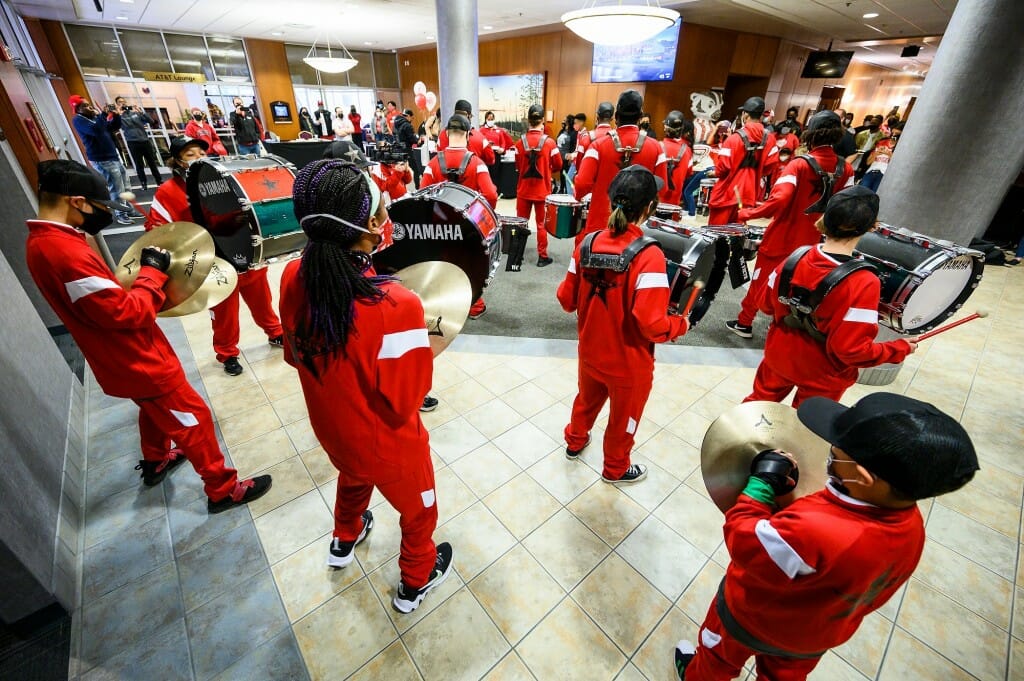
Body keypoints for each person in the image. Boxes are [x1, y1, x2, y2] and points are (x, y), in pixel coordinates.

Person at [674, 391, 977, 680]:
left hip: (749, 620)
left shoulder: (813, 529)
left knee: (717, 658)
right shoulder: (912, 527)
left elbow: (744, 541)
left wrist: (761, 485)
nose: (828, 452)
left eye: (834, 451)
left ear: (862, 476)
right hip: (814, 637)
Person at [27, 159, 272, 511]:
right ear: (76, 201)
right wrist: (152, 275)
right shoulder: (62, 251)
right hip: (137, 358)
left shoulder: (44, 241)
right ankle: (223, 490)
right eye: (98, 207)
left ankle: (156, 461)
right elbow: (127, 312)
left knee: (154, 409)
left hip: (121, 359)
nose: (101, 214)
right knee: (194, 418)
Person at [279, 158, 453, 613]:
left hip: (333, 432)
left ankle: (344, 538)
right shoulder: (396, 304)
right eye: (382, 214)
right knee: (420, 513)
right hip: (388, 444)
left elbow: (297, 355)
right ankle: (415, 582)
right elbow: (407, 400)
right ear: (369, 228)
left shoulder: (293, 276)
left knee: (353, 476)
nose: (386, 221)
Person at [557, 166, 690, 484]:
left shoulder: (586, 243)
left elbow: (565, 299)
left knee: (584, 401)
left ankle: (575, 442)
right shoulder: (650, 256)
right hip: (629, 365)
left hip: (589, 353)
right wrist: (679, 325)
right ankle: (615, 468)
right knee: (623, 421)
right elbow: (651, 324)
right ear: (649, 209)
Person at [744, 187, 916, 405]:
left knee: (754, 411)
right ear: (873, 226)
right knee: (804, 428)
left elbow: (765, 305)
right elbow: (852, 351)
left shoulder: (795, 258)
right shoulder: (864, 282)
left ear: (826, 217)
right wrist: (898, 349)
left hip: (779, 357)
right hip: (824, 374)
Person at [146, 136, 285, 376]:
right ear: (177, 161)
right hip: (214, 262)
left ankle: (275, 332)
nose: (199, 159)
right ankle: (227, 352)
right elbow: (156, 229)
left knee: (262, 299)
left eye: (201, 153)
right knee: (224, 313)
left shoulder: (224, 179)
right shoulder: (168, 192)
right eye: (190, 155)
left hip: (244, 254)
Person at [726, 110, 854, 339]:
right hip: (814, 244)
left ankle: (744, 322)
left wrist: (749, 212)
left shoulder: (798, 165)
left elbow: (780, 199)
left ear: (811, 133)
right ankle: (778, 323)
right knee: (794, 286)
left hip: (782, 238)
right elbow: (847, 206)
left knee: (761, 281)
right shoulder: (846, 169)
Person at [421, 114, 498, 320]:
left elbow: (422, 194)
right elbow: (490, 195)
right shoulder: (477, 163)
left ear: (446, 133)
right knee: (471, 264)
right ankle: (474, 306)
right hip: (468, 226)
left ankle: (445, 305)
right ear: (467, 134)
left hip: (440, 227)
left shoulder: (434, 163)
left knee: (443, 262)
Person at [575, 89, 668, 244]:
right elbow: (662, 190)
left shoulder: (597, 146)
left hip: (599, 226)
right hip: (637, 231)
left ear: (616, 116)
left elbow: (582, 183)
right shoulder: (657, 148)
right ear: (640, 117)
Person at [69, 95, 138, 225]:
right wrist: (102, 115)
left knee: (125, 184)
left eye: (89, 104)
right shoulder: (79, 120)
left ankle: (129, 209)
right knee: (116, 187)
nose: (89, 107)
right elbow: (96, 130)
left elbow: (112, 127)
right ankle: (121, 214)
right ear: (77, 109)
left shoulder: (95, 118)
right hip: (101, 159)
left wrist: (116, 115)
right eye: (85, 106)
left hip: (113, 155)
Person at [706, 96, 770, 226]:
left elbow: (723, 168)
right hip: (749, 193)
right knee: (737, 233)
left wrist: (714, 173)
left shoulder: (733, 139)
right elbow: (769, 167)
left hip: (727, 193)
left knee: (715, 233)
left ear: (745, 114)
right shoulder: (770, 138)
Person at [514, 103, 563, 267]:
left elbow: (517, 166)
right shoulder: (550, 143)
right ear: (543, 120)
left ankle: (517, 256)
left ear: (528, 120)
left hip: (523, 190)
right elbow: (558, 165)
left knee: (521, 223)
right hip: (542, 191)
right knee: (541, 225)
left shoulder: (519, 143)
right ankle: (542, 257)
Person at [119, 103, 163, 192]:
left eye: (124, 102)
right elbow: (121, 125)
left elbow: (151, 121)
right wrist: (119, 113)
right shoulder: (120, 117)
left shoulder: (135, 113)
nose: (123, 104)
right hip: (133, 143)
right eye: (120, 103)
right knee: (139, 165)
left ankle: (159, 181)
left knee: (152, 163)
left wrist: (141, 112)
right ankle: (143, 183)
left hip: (145, 141)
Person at [437, 99, 496, 166]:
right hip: (473, 174)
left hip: (446, 175)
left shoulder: (441, 136)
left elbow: (439, 158)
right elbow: (491, 160)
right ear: (469, 116)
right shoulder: (480, 138)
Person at [659, 110, 693, 208]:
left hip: (656, 201)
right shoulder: (687, 151)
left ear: (665, 128)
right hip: (674, 203)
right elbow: (688, 174)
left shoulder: (658, 146)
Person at [859, 124, 901, 192]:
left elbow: (898, 165)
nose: (893, 136)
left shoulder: (902, 146)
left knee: (874, 195)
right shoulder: (882, 142)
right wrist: (876, 153)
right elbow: (868, 162)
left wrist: (889, 154)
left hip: (884, 174)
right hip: (871, 171)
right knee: (861, 193)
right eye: (893, 133)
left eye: (897, 134)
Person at [574, 102, 614, 172]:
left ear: (597, 117)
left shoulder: (586, 137)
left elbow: (578, 166)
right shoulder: (617, 138)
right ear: (612, 119)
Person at [479, 110, 513, 186]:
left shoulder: (498, 130)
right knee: (486, 174)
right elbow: (479, 142)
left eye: (492, 119)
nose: (490, 121)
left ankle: (495, 192)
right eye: (489, 119)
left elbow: (503, 142)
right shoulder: (481, 130)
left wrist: (502, 149)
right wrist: (487, 145)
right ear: (485, 120)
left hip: (496, 154)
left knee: (495, 174)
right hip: (485, 155)